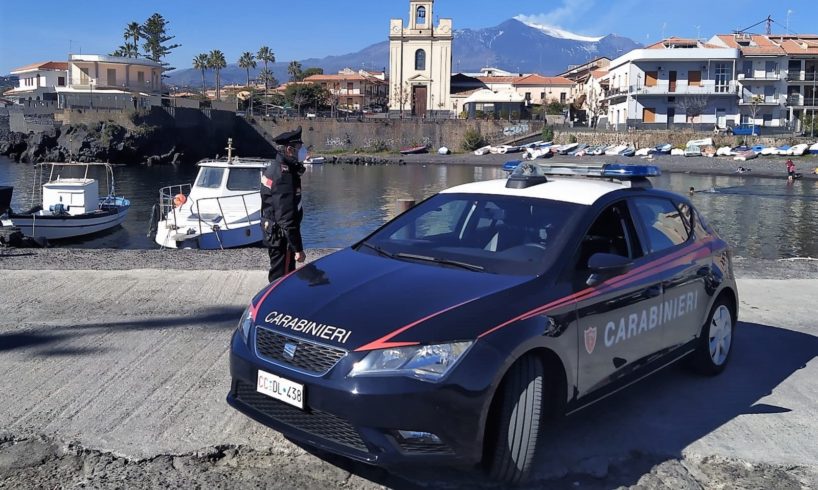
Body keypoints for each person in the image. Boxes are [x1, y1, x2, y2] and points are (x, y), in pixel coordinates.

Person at [260, 126, 307, 282]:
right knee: (282, 279)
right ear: (289, 150)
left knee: (278, 275)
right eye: (298, 148)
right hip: (282, 238)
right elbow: (286, 217)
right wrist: (298, 249)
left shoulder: (278, 168)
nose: (302, 151)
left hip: (275, 233)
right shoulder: (283, 175)